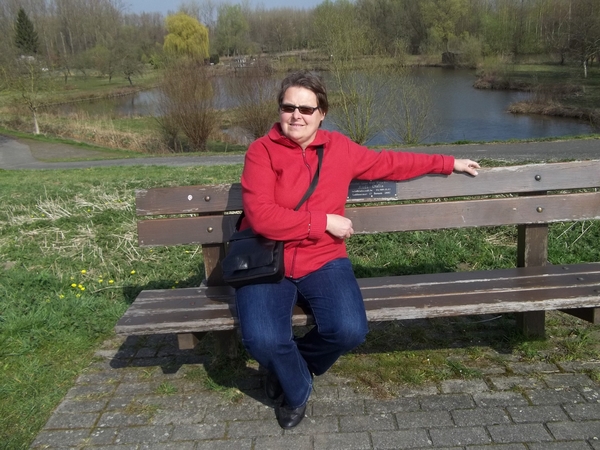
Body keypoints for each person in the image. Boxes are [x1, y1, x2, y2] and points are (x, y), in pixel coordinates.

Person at [235, 70, 480, 429]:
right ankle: (297, 388)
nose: (296, 116)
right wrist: (322, 221)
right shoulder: (261, 151)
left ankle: (288, 367)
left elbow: (389, 163)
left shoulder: (340, 149)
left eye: (306, 108)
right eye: (289, 107)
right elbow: (262, 217)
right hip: (266, 260)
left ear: (322, 113)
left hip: (323, 258)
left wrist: (448, 163)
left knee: (349, 330)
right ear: (280, 110)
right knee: (261, 340)